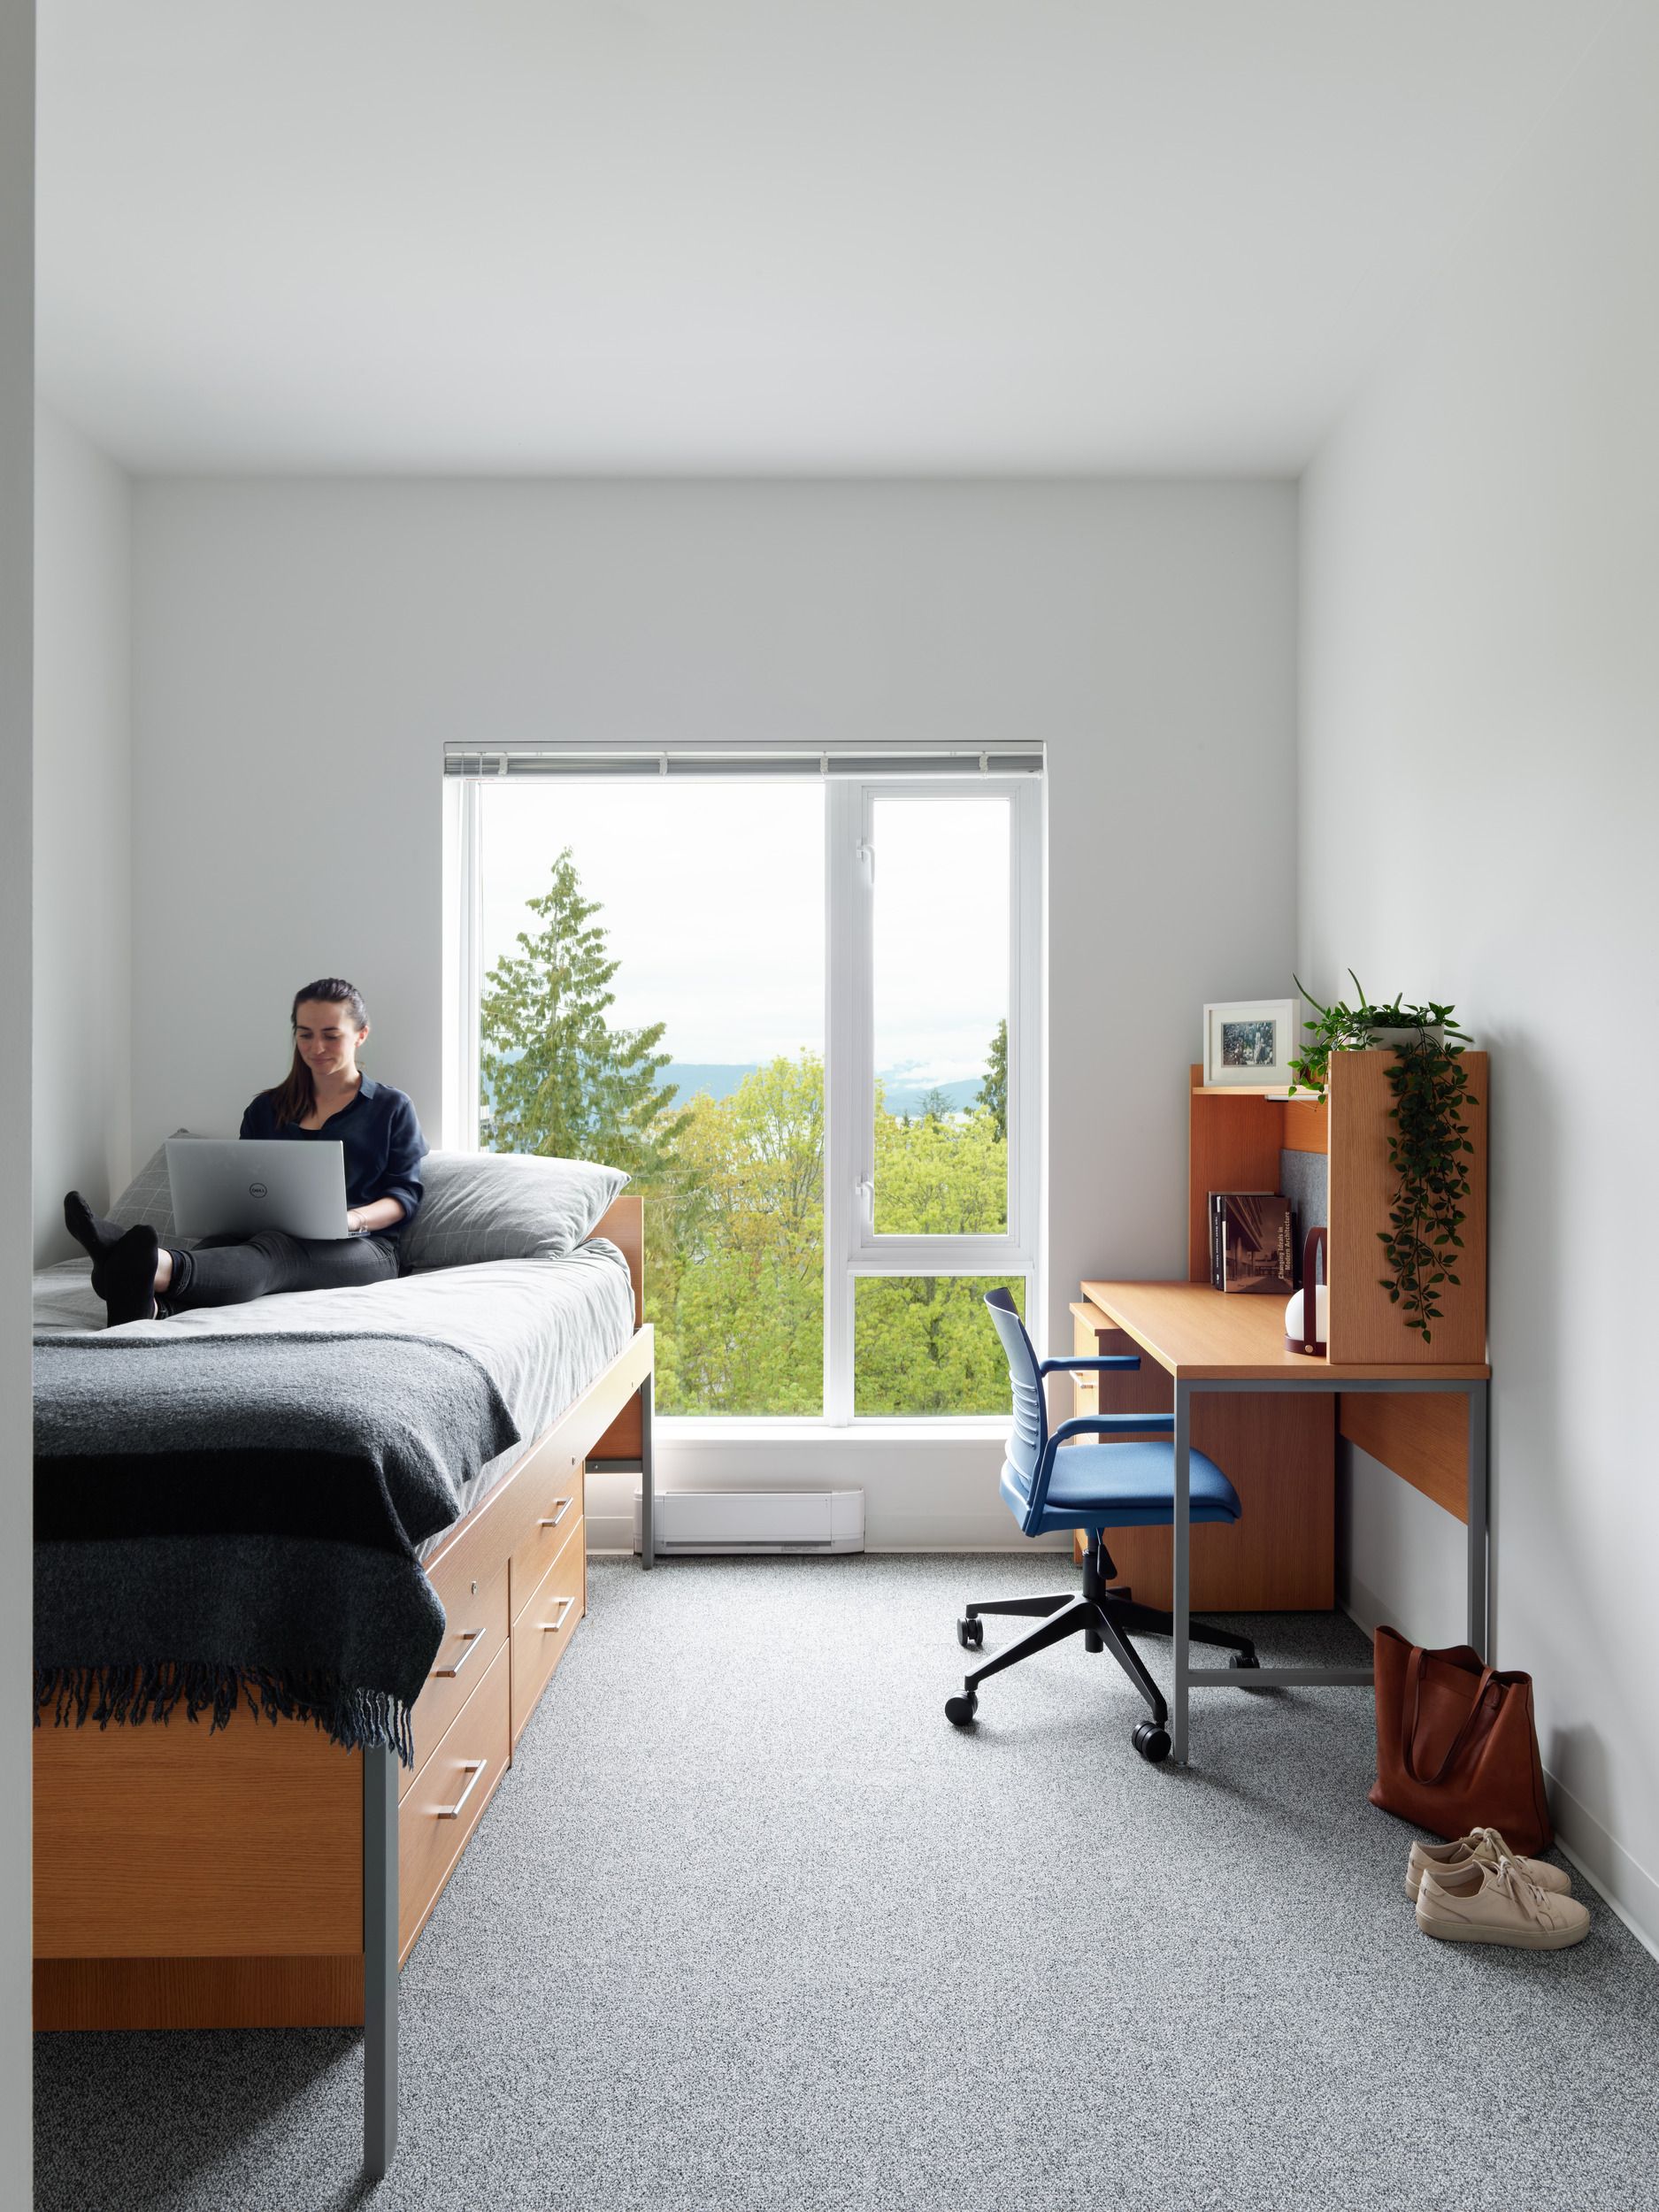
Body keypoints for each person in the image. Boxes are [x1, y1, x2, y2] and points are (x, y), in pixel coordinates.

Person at [65, 977, 428, 1326]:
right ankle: (150, 1304)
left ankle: (144, 1263)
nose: (316, 1048)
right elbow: (244, 1187)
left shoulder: (391, 1107)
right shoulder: (266, 1109)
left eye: (331, 1036)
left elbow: (404, 1196)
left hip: (366, 1249)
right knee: (218, 1247)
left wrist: (351, 1219)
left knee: (275, 1250)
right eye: (305, 1035)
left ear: (360, 1035)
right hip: (262, 1233)